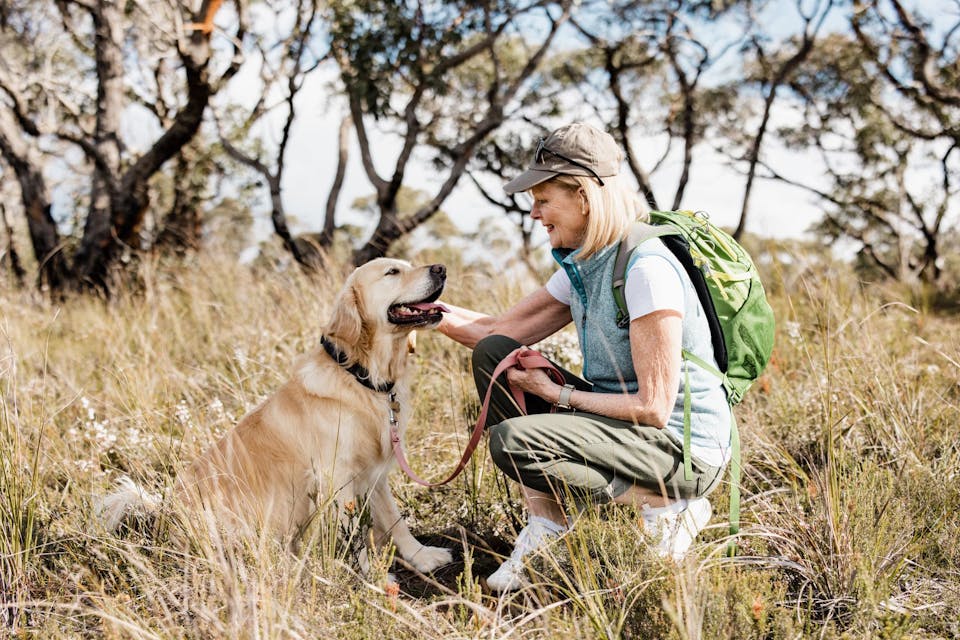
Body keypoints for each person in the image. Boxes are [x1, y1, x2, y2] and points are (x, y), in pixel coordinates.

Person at [437, 123, 731, 593]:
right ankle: (548, 527)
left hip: (681, 448)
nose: (534, 212)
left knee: (513, 442)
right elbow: (496, 333)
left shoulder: (646, 270)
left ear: (585, 197)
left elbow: (653, 408)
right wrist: (431, 315)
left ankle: (671, 505)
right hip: (625, 431)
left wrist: (557, 395)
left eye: (544, 199)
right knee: (497, 355)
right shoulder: (584, 264)